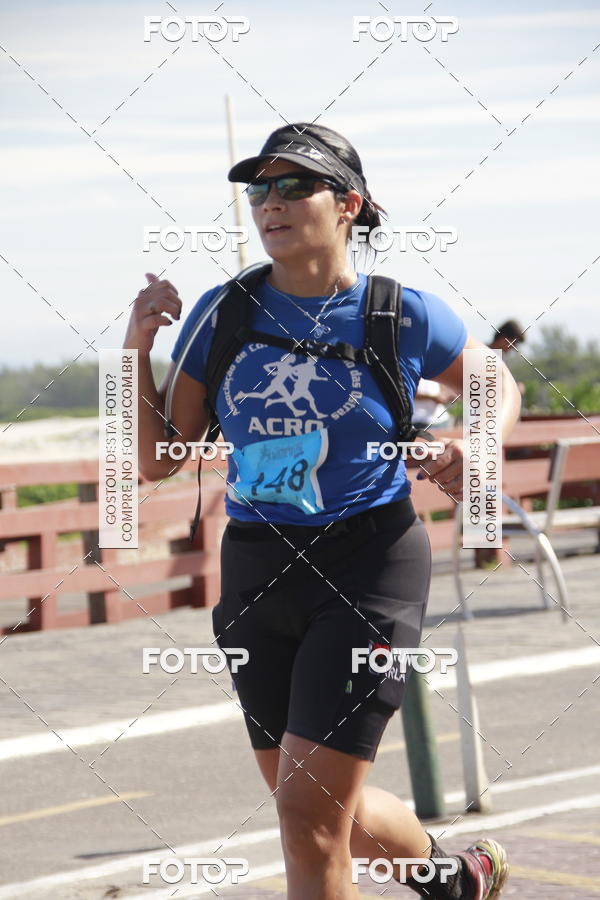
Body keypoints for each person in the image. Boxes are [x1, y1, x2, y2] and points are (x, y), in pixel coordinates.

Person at [124, 122, 521, 899]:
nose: (269, 203)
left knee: (308, 820)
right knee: (315, 809)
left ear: (349, 203)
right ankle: (456, 879)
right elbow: (157, 459)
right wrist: (135, 346)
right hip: (257, 567)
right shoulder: (223, 312)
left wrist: (477, 446)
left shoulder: (398, 312)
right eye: (259, 189)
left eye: (294, 185)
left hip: (368, 564)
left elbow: (495, 382)